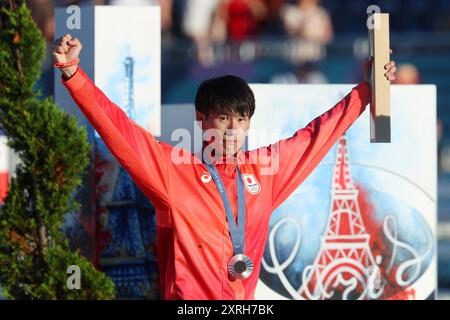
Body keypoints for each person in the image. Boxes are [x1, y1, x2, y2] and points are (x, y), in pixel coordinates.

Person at [52, 33, 396, 299]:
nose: (233, 130)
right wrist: (72, 73)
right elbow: (119, 130)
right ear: (202, 121)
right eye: (223, 118)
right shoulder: (175, 172)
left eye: (242, 119)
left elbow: (318, 135)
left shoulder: (264, 171)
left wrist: (367, 90)